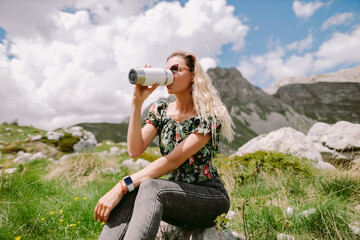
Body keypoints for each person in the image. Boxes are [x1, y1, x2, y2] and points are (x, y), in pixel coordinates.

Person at [94, 50, 234, 240]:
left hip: (210, 198)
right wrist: (137, 102)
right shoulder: (160, 111)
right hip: (176, 196)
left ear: (193, 76)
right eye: (167, 70)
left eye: (176, 70)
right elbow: (134, 150)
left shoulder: (208, 116)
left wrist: (122, 185)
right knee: (134, 190)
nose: (169, 75)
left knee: (147, 186)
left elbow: (172, 161)